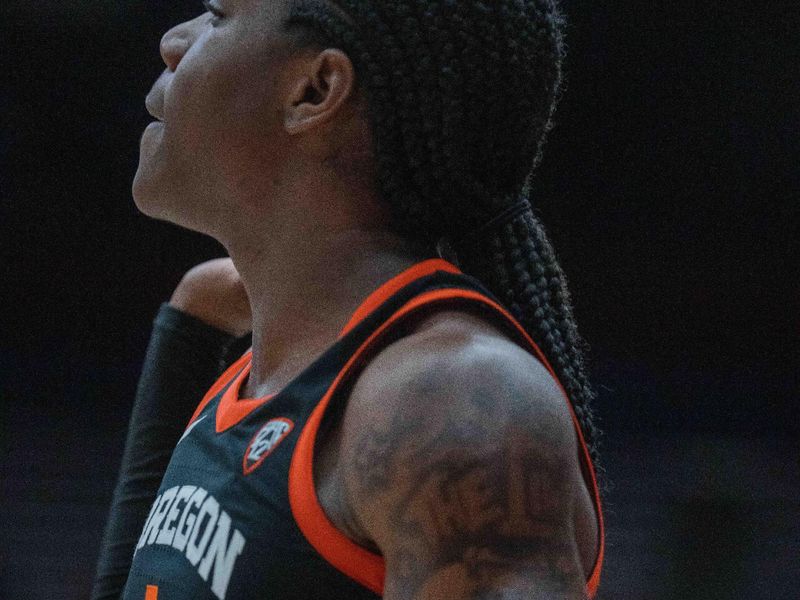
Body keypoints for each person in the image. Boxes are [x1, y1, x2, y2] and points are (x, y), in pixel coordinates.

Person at [93, 0, 605, 598]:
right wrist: (188, 328)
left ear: (315, 90)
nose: (173, 42)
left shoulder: (448, 398)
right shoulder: (262, 362)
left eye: (215, 14)